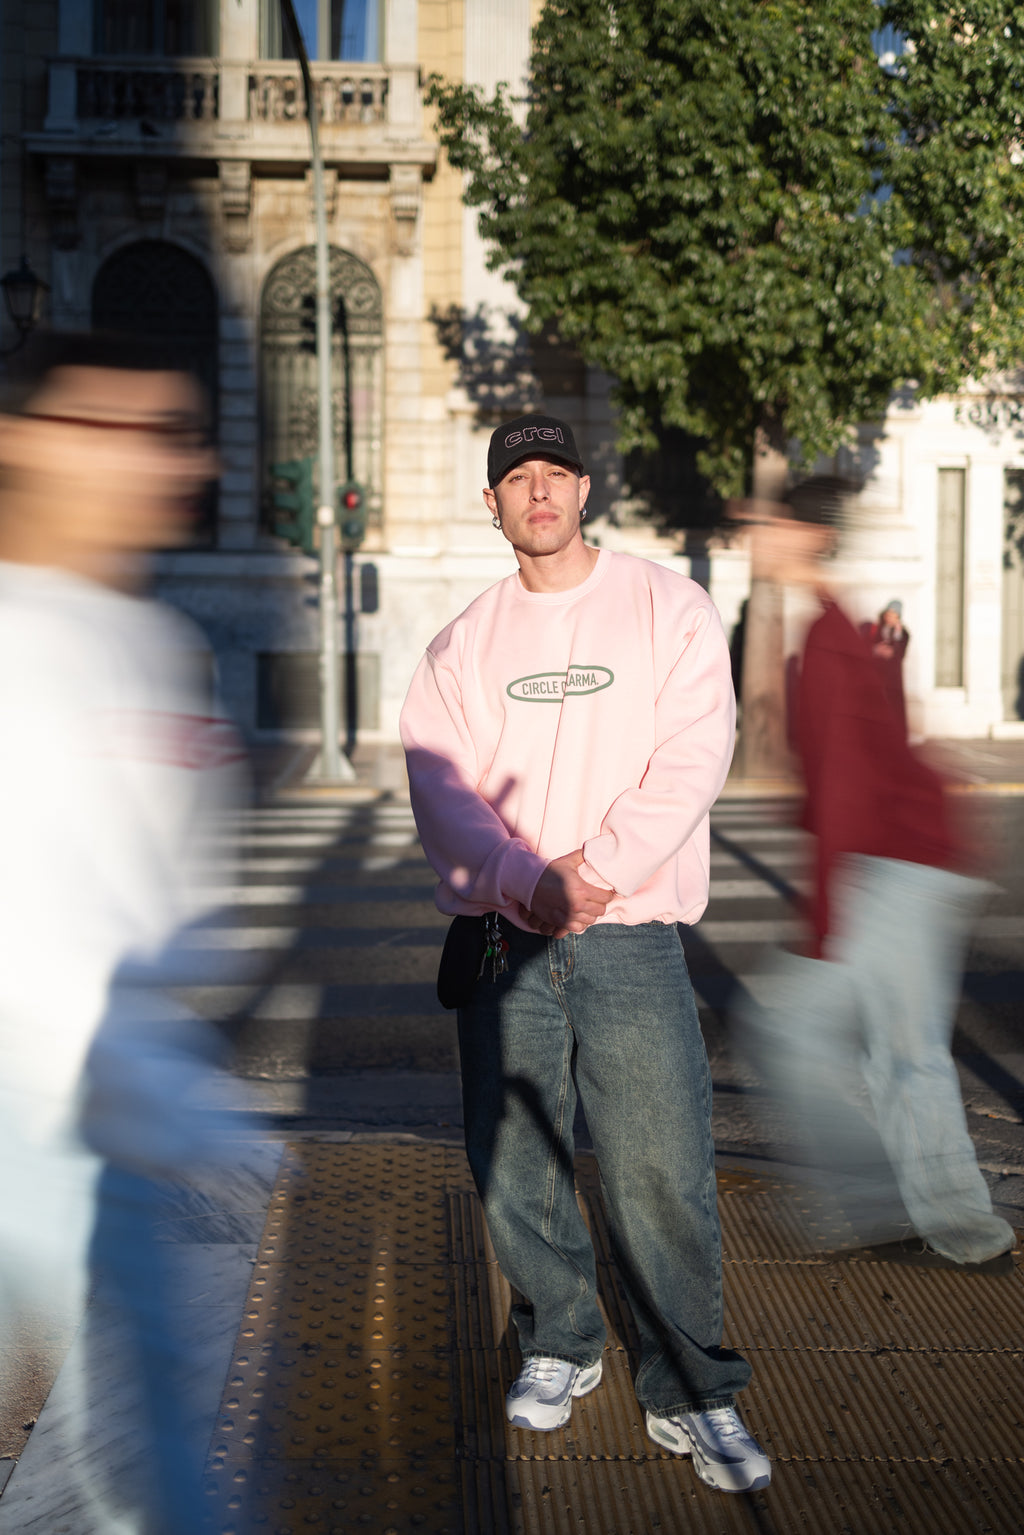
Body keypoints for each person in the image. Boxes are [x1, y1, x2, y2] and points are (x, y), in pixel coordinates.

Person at [400, 413, 770, 1495]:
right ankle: (560, 1332)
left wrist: (594, 869)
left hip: (631, 933)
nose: (539, 491)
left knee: (661, 1167)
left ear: (585, 487)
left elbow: (695, 749)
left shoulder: (667, 606)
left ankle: (693, 1385)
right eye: (517, 477)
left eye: (555, 472)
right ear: (493, 503)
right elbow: (441, 790)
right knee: (513, 1161)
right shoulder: (462, 644)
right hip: (504, 941)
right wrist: (529, 883)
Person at [0, 331, 246, 1533]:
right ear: (24, 441)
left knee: (144, 1464)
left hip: (114, 1139)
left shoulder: (167, 647)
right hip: (36, 1119)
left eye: (177, 433)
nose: (164, 461)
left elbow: (175, 916)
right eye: (122, 427)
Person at [736, 480, 1014, 1273]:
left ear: (801, 532)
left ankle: (883, 1204)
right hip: (913, 860)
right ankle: (960, 1230)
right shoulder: (838, 626)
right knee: (908, 1055)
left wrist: (823, 920)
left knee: (790, 1032)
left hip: (893, 867)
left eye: (765, 521)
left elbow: (848, 790)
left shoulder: (827, 637)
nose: (752, 532)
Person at [861, 598, 910, 737]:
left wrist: (894, 643)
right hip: (879, 673)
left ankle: (898, 733)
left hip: (893, 676)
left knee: (894, 703)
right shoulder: (877, 630)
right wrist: (877, 650)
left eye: (893, 615)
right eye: (888, 614)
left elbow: (900, 652)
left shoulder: (903, 633)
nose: (889, 618)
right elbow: (870, 646)